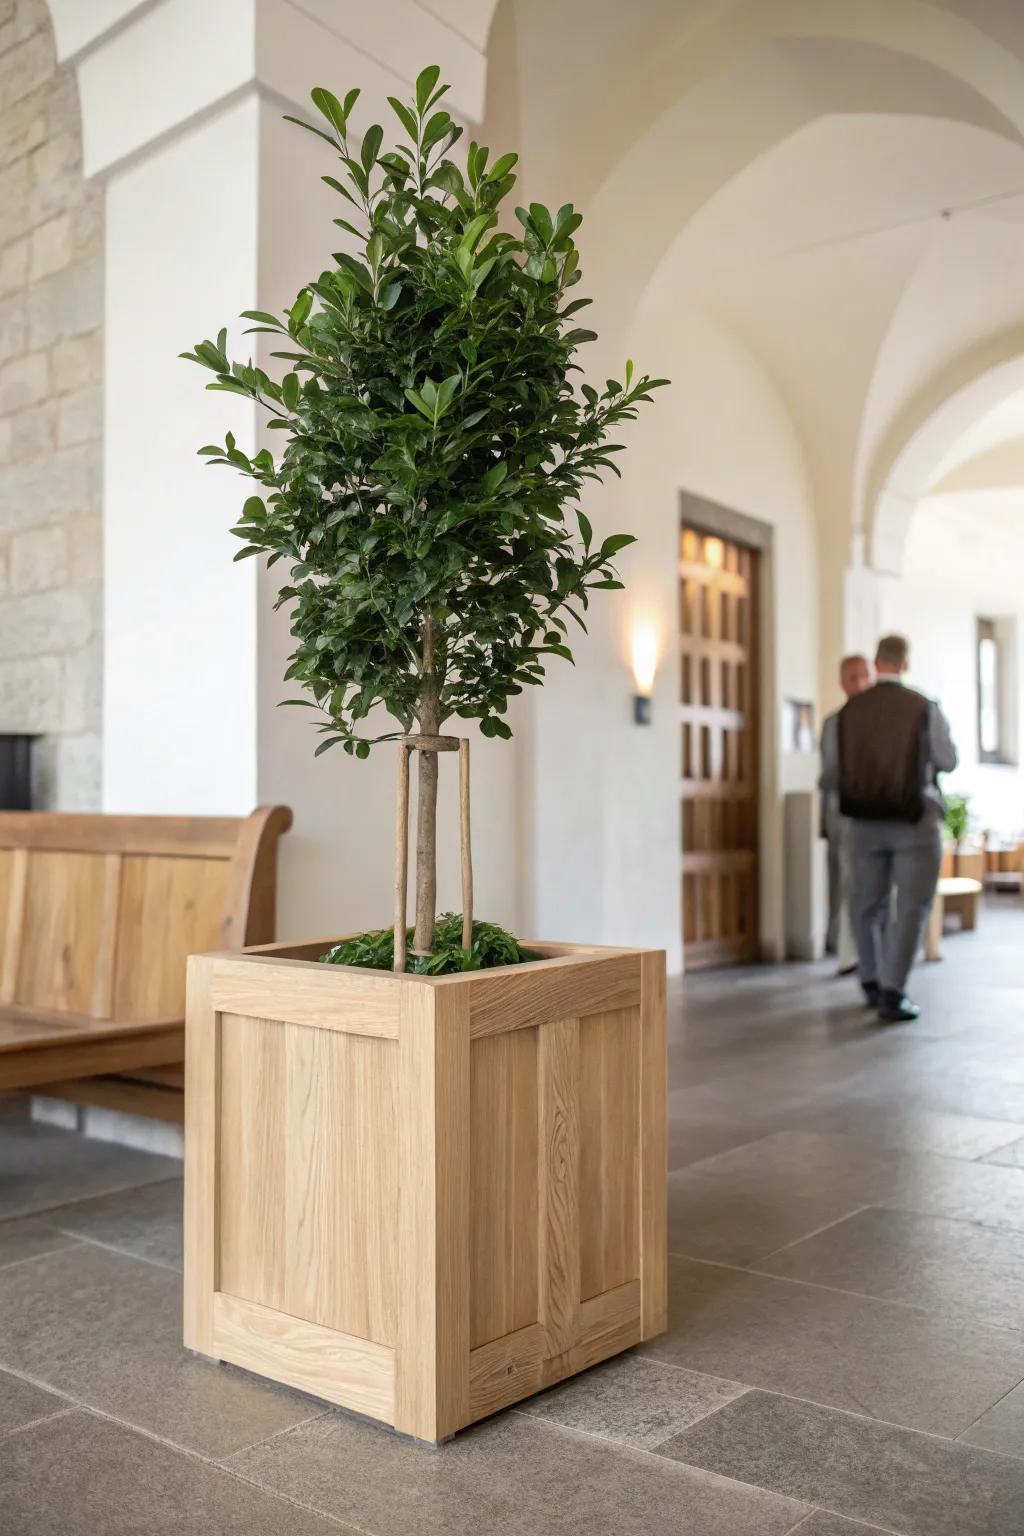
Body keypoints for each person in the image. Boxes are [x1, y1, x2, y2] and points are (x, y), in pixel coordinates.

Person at [831, 633, 957, 1023]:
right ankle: (893, 989)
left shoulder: (847, 713)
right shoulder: (923, 706)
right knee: (912, 905)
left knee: (866, 904)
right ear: (905, 663)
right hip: (913, 822)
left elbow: (833, 772)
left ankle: (869, 978)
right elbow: (947, 760)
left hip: (862, 822)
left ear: (876, 662)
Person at [819, 654, 873, 964]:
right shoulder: (834, 723)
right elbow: (830, 773)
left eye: (866, 675)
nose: (861, 683)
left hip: (875, 814)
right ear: (843, 683)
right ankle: (839, 944)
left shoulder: (882, 720)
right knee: (842, 879)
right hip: (843, 813)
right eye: (854, 677)